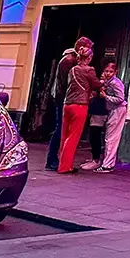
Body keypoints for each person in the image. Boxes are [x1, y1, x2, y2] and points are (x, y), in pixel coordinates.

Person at [45, 37, 90, 170]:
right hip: (64, 98)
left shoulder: (71, 59)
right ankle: (52, 159)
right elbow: (65, 82)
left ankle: (60, 161)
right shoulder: (69, 60)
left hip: (65, 98)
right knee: (61, 129)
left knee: (63, 129)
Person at [58, 47, 100, 173]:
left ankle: (63, 163)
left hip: (68, 104)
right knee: (73, 137)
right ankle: (65, 167)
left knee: (64, 135)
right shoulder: (89, 70)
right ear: (89, 57)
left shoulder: (73, 70)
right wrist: (103, 82)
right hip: (80, 105)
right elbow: (96, 84)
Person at [96, 62, 128, 171]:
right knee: (110, 137)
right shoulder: (109, 82)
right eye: (106, 71)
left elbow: (120, 99)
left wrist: (106, 97)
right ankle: (108, 163)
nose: (108, 73)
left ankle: (107, 164)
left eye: (111, 72)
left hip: (117, 110)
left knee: (111, 138)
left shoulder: (115, 83)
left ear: (115, 72)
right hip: (113, 110)